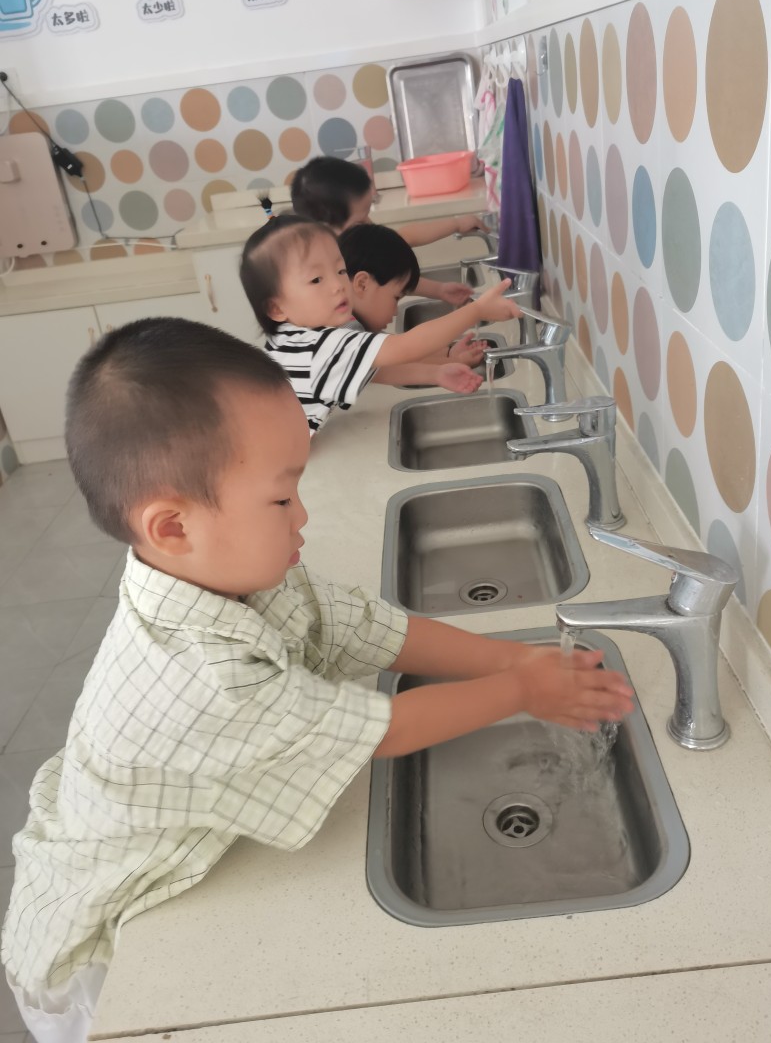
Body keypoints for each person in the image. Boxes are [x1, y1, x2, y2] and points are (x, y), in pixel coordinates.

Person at [1, 318, 634, 1043]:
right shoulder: (201, 677)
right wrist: (522, 692)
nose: (303, 515)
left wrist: (512, 660)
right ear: (172, 526)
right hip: (89, 951)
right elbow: (379, 731)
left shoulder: (219, 573)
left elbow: (362, 626)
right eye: (281, 499)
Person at [240, 214, 516, 433]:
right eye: (316, 280)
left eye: (340, 270)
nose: (338, 285)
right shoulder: (320, 345)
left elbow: (374, 370)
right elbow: (405, 347)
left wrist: (436, 374)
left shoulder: (296, 336)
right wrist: (477, 310)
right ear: (276, 308)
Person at [290, 155, 487, 306]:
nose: (369, 224)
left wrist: (439, 290)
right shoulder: (330, 272)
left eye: (367, 214)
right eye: (360, 221)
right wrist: (456, 224)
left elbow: (391, 271)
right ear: (325, 229)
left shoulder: (344, 247)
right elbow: (404, 239)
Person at [338, 221, 488, 387]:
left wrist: (449, 356)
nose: (395, 312)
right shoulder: (343, 332)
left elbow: (394, 360)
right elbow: (400, 354)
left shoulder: (345, 321)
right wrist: (478, 310)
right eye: (396, 298)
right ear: (362, 284)